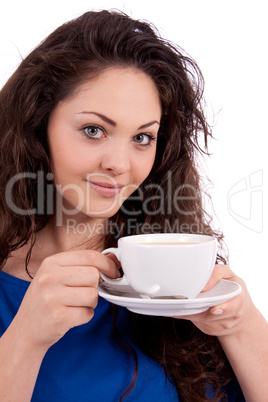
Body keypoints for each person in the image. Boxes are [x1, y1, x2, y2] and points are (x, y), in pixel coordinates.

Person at [0, 9, 267, 402]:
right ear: (39, 124)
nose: (120, 165)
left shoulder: (177, 276)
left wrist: (241, 324)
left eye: (142, 138)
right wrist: (25, 339)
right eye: (94, 130)